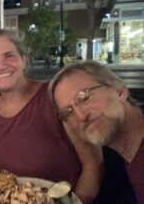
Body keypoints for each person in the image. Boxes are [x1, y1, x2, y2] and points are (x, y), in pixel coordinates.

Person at [0, 29, 103, 203]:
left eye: (9, 56)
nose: (1, 65)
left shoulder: (56, 98)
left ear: (24, 60)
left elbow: (93, 164)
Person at [48, 61, 143, 203]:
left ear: (120, 91)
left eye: (85, 97)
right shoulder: (128, 160)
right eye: (68, 112)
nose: (81, 116)